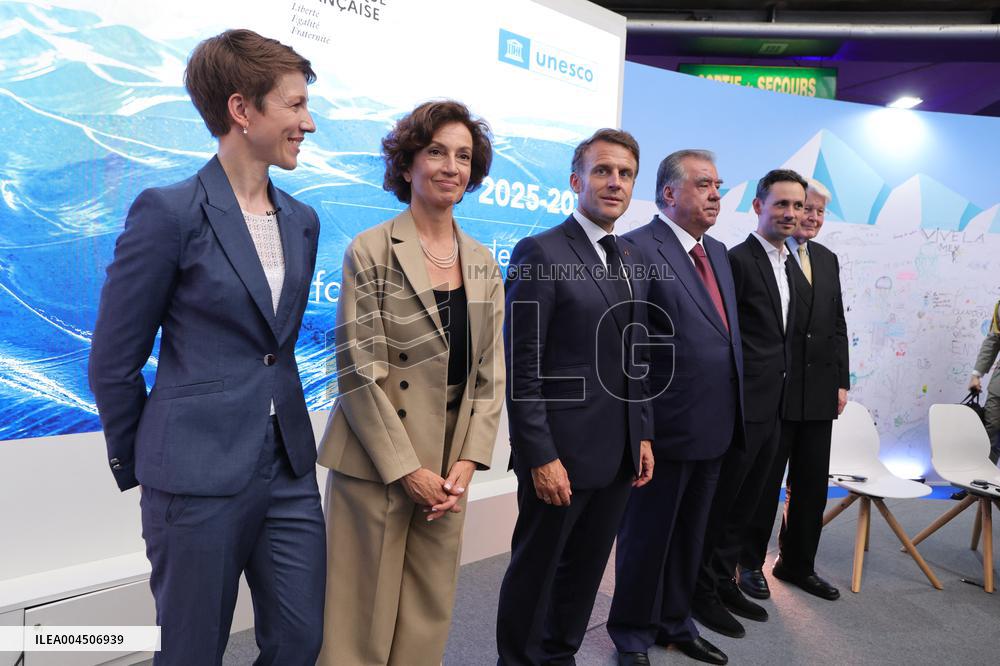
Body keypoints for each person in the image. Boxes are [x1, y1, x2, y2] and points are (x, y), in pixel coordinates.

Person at [88, 29, 324, 665]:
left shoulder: (302, 220)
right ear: (242, 110)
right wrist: (152, 461)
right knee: (192, 651)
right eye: (295, 105)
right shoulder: (169, 213)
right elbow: (113, 361)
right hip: (193, 476)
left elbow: (275, 346)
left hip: (289, 469)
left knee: (300, 640)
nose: (308, 121)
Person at [316, 100, 505, 666]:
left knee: (427, 611)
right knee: (357, 622)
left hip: (449, 462)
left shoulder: (482, 262)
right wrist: (407, 470)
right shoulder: (370, 249)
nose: (451, 166)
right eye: (436, 151)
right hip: (378, 459)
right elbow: (357, 369)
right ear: (406, 165)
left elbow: (488, 374)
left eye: (464, 156)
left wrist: (468, 461)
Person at [496, 128, 655, 666]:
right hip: (559, 455)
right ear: (576, 180)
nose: (615, 182)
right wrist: (540, 456)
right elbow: (522, 366)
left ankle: (559, 657)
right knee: (537, 574)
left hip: (616, 455)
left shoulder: (632, 257)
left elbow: (636, 355)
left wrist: (644, 433)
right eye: (603, 170)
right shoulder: (539, 251)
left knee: (585, 574)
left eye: (626, 174)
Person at [609, 150, 743, 666]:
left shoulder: (719, 253)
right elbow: (629, 351)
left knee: (691, 536)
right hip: (662, 430)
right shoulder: (636, 249)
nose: (715, 195)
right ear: (669, 193)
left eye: (718, 185)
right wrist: (639, 428)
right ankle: (631, 636)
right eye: (704, 184)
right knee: (646, 539)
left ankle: (674, 622)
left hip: (714, 426)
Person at [692, 169, 803, 641]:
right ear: (758, 207)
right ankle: (703, 591)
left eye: (797, 206)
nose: (791, 214)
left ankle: (725, 580)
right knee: (725, 503)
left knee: (753, 503)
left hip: (777, 407)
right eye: (781, 204)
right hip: (741, 406)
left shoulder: (791, 262)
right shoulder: (736, 259)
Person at [737, 178, 847, 603]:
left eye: (819, 211)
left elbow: (837, 325)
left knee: (812, 485)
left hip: (819, 393)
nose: (812, 217)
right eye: (807, 209)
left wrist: (841, 381)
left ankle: (797, 564)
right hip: (778, 393)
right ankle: (747, 564)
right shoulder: (769, 258)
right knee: (763, 484)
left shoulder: (827, 258)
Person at [969, 301, 1000, 463]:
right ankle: (982, 484)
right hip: (998, 388)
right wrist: (976, 375)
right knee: (990, 434)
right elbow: (993, 340)